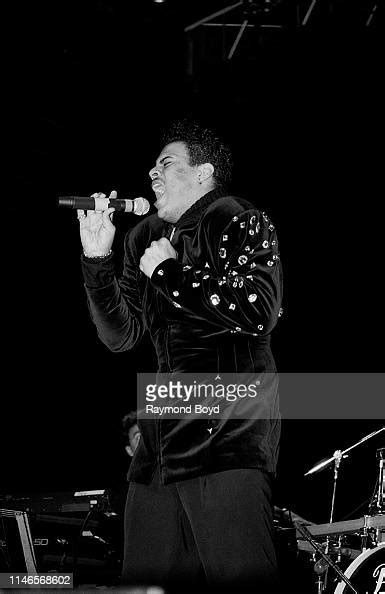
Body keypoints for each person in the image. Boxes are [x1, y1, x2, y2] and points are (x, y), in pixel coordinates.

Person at [77, 119, 283, 592]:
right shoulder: (142, 238)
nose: (153, 173)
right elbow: (121, 336)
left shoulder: (236, 216)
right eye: (151, 166)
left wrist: (170, 272)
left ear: (204, 172)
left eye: (166, 164)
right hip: (159, 445)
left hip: (225, 434)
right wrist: (96, 261)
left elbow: (257, 310)